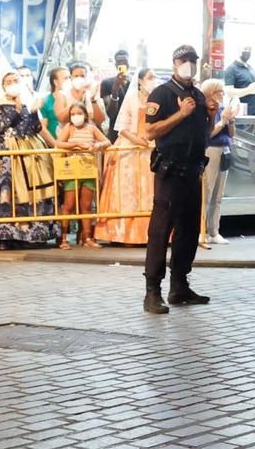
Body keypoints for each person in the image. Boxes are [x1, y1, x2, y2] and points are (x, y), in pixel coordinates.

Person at [142, 45, 211, 313]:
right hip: (170, 172)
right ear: (174, 63)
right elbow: (150, 132)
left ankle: (179, 286)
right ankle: (152, 291)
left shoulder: (198, 94)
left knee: (189, 231)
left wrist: (214, 114)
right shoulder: (162, 94)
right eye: (184, 61)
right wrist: (180, 114)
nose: (189, 65)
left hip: (193, 171)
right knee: (161, 230)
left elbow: (203, 131)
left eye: (193, 61)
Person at [0, 70, 59, 249]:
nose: (12, 84)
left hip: (29, 150)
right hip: (6, 152)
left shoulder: (27, 103)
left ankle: (32, 234)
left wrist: (34, 115)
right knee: (6, 192)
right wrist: (16, 110)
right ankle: (6, 235)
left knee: (34, 192)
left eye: (15, 80)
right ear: (3, 86)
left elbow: (35, 127)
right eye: (8, 81)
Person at [95, 68, 155, 246]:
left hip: (150, 147)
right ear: (140, 81)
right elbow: (122, 127)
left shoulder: (156, 99)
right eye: (150, 77)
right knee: (128, 190)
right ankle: (124, 233)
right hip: (131, 147)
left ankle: (148, 233)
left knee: (149, 191)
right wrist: (138, 140)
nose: (153, 80)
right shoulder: (131, 98)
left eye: (154, 77)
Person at [51, 98, 109, 247]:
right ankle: (63, 238)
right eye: (73, 114)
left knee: (87, 205)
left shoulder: (92, 128)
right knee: (69, 205)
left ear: (85, 114)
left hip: (88, 170)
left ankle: (87, 238)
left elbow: (107, 142)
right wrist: (75, 145)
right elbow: (58, 143)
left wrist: (98, 145)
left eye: (79, 113)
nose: (76, 116)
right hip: (71, 171)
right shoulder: (69, 128)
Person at [201, 79, 233, 247]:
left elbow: (231, 134)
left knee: (218, 195)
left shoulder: (223, 109)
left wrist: (230, 120)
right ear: (211, 93)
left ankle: (214, 231)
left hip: (225, 150)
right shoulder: (206, 110)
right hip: (211, 150)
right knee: (207, 191)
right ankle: (202, 231)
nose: (222, 95)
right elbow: (208, 134)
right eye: (219, 91)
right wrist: (221, 122)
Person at [99, 50, 134, 143]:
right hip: (116, 131)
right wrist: (115, 90)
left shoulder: (136, 82)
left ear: (129, 64)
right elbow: (111, 113)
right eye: (119, 63)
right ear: (116, 65)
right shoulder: (107, 83)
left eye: (125, 62)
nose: (123, 65)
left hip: (134, 129)